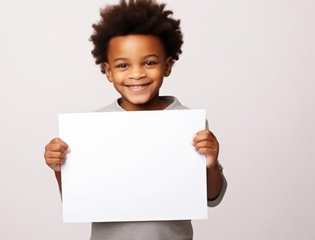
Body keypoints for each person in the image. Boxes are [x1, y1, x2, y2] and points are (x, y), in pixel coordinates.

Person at [44, 0, 226, 239]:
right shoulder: (94, 128)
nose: (137, 73)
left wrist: (211, 164)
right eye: (123, 65)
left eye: (149, 62)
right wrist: (60, 169)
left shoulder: (188, 124)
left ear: (167, 66)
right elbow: (77, 199)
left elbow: (212, 198)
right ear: (108, 71)